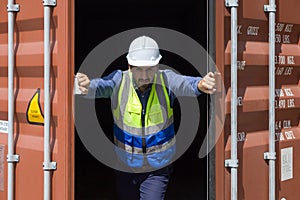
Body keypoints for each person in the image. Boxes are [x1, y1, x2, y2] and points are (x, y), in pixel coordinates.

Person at [76, 36, 217, 200]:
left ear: (157, 66)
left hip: (157, 168)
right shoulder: (118, 81)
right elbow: (99, 86)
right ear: (129, 66)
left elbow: (187, 84)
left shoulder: (166, 79)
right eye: (138, 69)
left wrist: (201, 84)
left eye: (149, 69)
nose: (144, 75)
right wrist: (86, 86)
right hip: (125, 166)